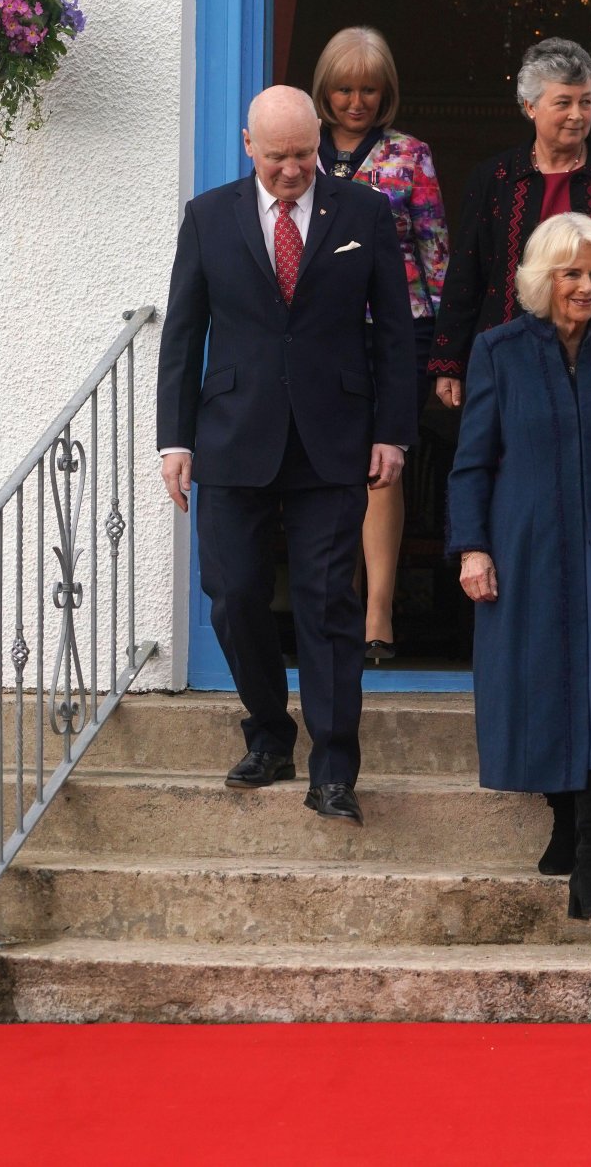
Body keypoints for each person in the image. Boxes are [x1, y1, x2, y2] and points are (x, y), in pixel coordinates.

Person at [157, 85, 417, 827]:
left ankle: (333, 769)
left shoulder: (364, 212)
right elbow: (184, 332)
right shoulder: (208, 216)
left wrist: (392, 432)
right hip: (232, 436)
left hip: (333, 437)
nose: (293, 169)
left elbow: (394, 331)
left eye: (305, 154)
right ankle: (269, 734)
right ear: (249, 147)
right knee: (234, 594)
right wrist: (175, 439)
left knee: (328, 606)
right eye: (277, 157)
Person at [445, 213, 591, 921]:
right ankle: (562, 822)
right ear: (541, 278)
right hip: (529, 548)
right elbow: (472, 463)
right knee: (547, 689)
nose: (586, 285)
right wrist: (473, 548)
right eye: (571, 272)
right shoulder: (499, 350)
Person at [428, 37, 591, 408]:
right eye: (563, 102)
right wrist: (449, 361)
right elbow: (466, 273)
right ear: (531, 106)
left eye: (586, 101)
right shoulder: (494, 178)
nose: (578, 114)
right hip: (507, 359)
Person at [312, 26, 450, 662]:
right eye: (344, 89)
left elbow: (436, 251)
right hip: (319, 329)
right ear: (325, 89)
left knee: (383, 461)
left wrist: (447, 348)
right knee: (328, 463)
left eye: (369, 90)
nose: (356, 102)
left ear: (386, 92)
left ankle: (378, 613)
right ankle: (338, 604)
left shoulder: (409, 154)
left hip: (400, 327)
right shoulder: (300, 149)